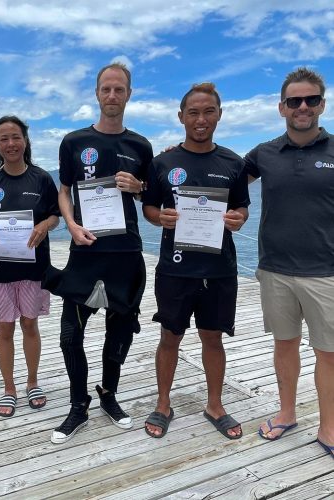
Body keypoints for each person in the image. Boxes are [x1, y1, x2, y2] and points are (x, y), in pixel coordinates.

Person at [43, 63, 153, 444]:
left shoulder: (141, 146)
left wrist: (139, 187)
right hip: (85, 251)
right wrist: (71, 225)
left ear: (129, 94)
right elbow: (64, 191)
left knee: (119, 332)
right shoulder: (74, 142)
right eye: (106, 89)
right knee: (69, 335)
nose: (112, 95)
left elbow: (151, 199)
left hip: (126, 253)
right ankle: (79, 405)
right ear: (96, 93)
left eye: (119, 89)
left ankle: (109, 393)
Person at [142, 83, 249, 440]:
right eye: (193, 113)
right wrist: (160, 218)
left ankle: (215, 405)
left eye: (208, 112)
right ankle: (163, 404)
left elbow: (241, 207)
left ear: (219, 115)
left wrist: (238, 218)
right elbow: (149, 207)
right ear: (181, 117)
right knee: (169, 337)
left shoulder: (233, 162)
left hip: (219, 269)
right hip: (175, 268)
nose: (201, 119)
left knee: (213, 338)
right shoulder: (163, 162)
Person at [246, 67, 334, 458]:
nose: (302, 107)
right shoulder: (264, 153)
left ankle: (329, 427)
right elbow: (222, 180)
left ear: (322, 104)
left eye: (310, 99)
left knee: (329, 353)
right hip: (275, 270)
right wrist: (173, 160)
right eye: (294, 100)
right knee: (285, 345)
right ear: (281, 107)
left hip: (326, 272)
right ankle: (287, 413)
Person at [0, 116, 59, 417]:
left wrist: (44, 225)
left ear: (25, 141)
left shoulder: (42, 178)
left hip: (33, 267)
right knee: (5, 327)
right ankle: (9, 387)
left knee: (29, 324)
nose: (10, 144)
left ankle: (33, 382)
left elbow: (55, 215)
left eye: (16, 137)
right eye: (4, 138)